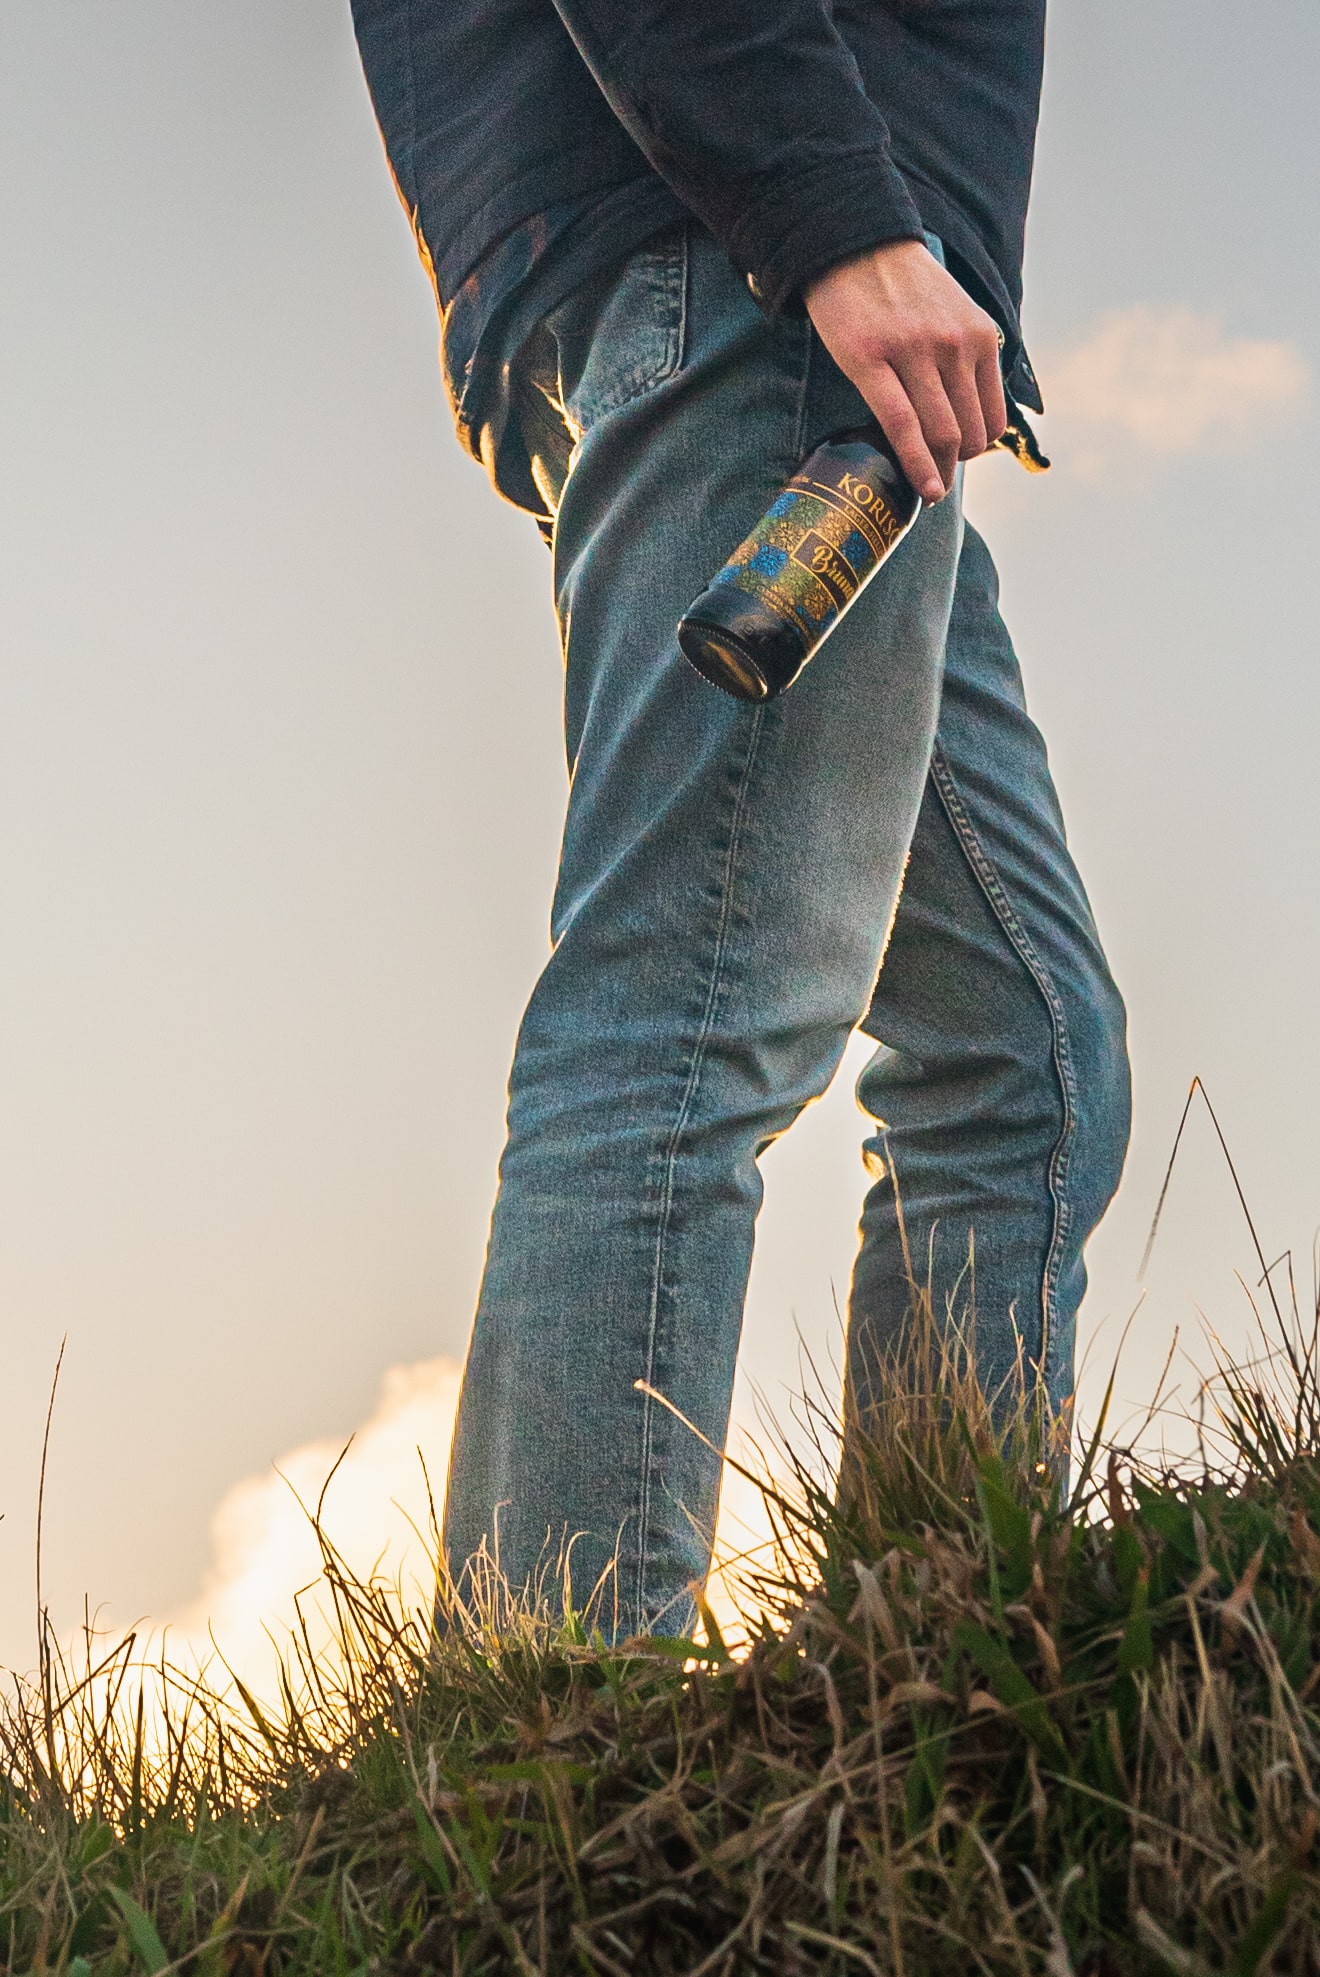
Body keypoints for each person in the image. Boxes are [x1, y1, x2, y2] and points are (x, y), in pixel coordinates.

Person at [351, 0, 1131, 1640]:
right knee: (682, 1008)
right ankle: (548, 1730)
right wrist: (845, 226)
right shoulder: (806, 248)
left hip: (813, 349)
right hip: (776, 301)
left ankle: (931, 1657)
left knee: (1025, 1046)